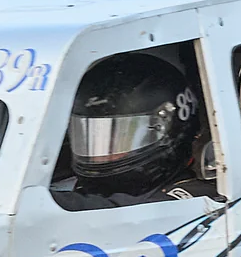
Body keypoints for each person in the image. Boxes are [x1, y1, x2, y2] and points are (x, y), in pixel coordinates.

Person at [50, 50, 223, 210]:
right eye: (90, 139)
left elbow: (121, 213)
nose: (100, 157)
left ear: (167, 130)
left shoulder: (196, 198)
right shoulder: (72, 180)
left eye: (120, 138)